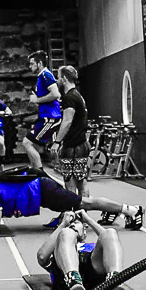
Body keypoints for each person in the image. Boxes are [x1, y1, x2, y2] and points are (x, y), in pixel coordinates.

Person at [0, 166, 144, 235]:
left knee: (85, 203)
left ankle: (131, 210)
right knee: (81, 204)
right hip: (40, 192)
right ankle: (120, 210)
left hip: (43, 191)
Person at [36, 210, 128, 290]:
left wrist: (88, 220)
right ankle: (74, 282)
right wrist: (63, 225)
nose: (71, 225)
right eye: (70, 224)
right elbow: (42, 257)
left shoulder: (92, 247)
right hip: (65, 277)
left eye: (75, 222)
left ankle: (114, 282)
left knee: (110, 232)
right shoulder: (57, 247)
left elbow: (108, 237)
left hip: (93, 271)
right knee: (66, 233)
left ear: (84, 230)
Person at [44, 65, 90, 229]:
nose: (57, 80)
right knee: (80, 181)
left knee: (71, 183)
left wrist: (57, 142)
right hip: (80, 144)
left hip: (73, 146)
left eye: (58, 76)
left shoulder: (70, 97)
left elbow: (68, 121)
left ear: (64, 78)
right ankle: (80, 217)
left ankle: (74, 219)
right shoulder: (77, 95)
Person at [21, 51, 64, 177]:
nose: (30, 67)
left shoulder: (46, 75)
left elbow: (56, 94)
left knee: (27, 142)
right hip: (45, 117)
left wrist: (37, 100)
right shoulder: (41, 77)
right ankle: (35, 171)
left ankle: (40, 174)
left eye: (32, 64)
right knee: (31, 144)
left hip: (51, 117)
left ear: (39, 63)